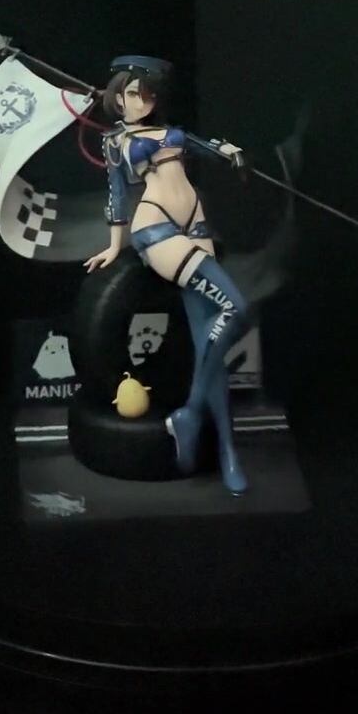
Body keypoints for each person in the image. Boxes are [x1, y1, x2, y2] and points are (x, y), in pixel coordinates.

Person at [84, 55, 251, 495]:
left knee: (206, 345)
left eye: (149, 94)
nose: (143, 101)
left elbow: (204, 147)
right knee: (237, 309)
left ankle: (228, 451)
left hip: (196, 224)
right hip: (155, 226)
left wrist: (227, 151)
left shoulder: (171, 131)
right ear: (118, 96)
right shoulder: (116, 141)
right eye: (133, 93)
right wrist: (115, 246)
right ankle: (191, 411)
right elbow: (117, 197)